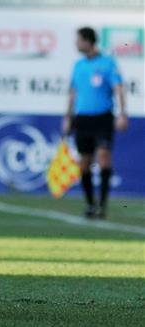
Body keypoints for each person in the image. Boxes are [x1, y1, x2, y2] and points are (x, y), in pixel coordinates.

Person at [62, 27, 128, 218]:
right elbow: (73, 93)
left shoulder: (108, 63)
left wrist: (122, 114)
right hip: (82, 119)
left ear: (88, 41)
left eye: (78, 40)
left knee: (104, 157)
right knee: (84, 163)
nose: (76, 43)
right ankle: (90, 204)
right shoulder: (78, 65)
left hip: (103, 117)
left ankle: (103, 206)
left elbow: (118, 88)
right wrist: (67, 117)